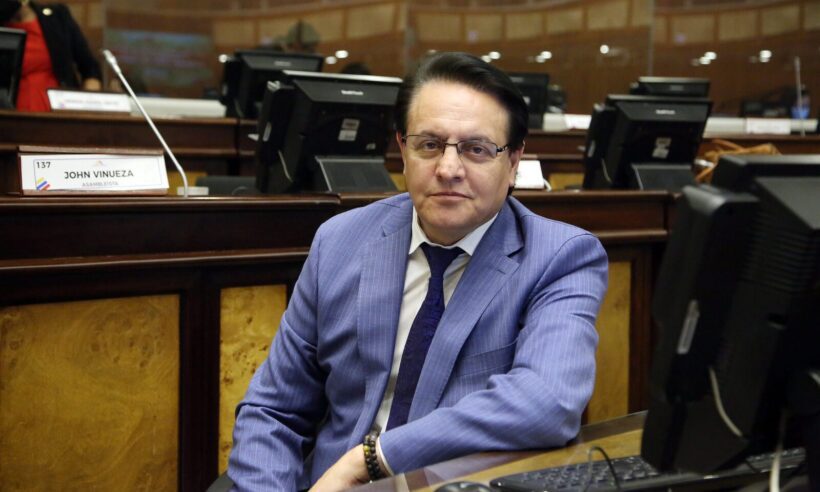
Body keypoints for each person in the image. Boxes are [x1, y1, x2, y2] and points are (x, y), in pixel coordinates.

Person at [228, 52, 608, 491]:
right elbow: (273, 410)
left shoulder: (560, 258)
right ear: (402, 150)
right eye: (429, 145)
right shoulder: (340, 241)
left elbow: (547, 402)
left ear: (514, 160)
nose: (448, 169)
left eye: (476, 149)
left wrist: (372, 460)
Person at [1, 0, 101, 111]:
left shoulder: (58, 16)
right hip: (10, 115)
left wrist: (88, 102)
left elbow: (90, 68)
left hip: (60, 112)